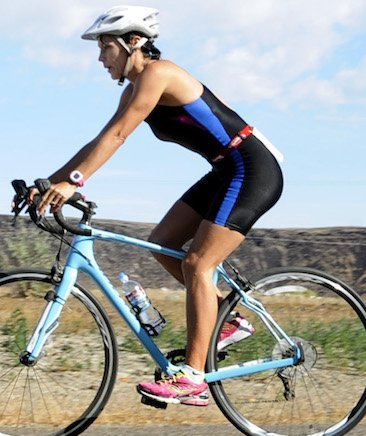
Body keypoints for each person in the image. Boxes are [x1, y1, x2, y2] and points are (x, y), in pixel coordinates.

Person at [28, 5, 284, 407]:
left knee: (199, 263)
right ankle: (226, 319)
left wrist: (74, 183)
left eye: (105, 47)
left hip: (251, 169)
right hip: (224, 170)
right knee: (163, 242)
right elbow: (98, 140)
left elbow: (117, 136)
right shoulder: (134, 88)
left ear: (134, 43)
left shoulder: (157, 75)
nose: (100, 58)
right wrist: (47, 182)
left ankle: (193, 378)